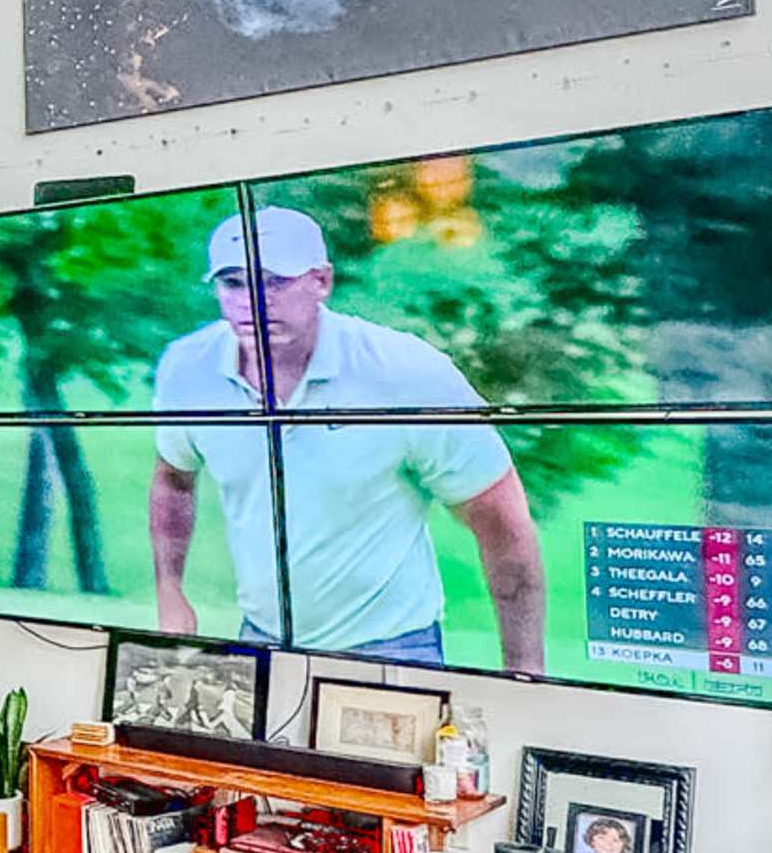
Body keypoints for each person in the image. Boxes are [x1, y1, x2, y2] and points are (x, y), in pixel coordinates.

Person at [148, 206, 546, 669]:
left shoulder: (406, 374)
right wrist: (169, 589)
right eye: (233, 283)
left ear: (322, 281)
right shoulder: (188, 368)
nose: (252, 301)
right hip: (259, 639)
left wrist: (524, 671)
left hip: (394, 649)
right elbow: (173, 479)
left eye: (275, 282)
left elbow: (502, 521)